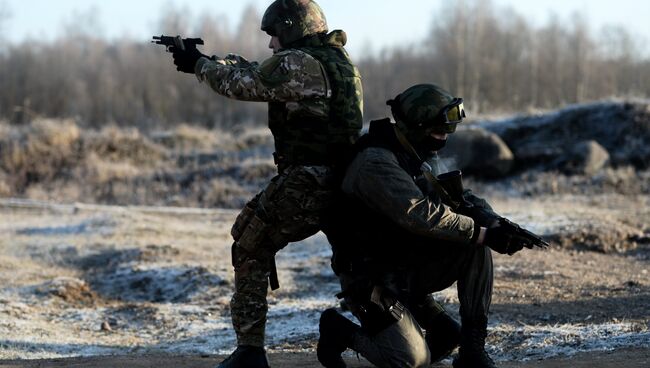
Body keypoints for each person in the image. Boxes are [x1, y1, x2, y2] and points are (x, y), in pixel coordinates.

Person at [168, 1, 363, 367]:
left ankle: (249, 352)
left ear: (292, 28)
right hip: (345, 181)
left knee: (248, 242)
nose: (272, 43)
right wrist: (208, 60)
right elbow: (258, 71)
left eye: (275, 34)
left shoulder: (298, 62)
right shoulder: (337, 61)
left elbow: (244, 84)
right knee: (356, 265)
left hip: (308, 181)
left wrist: (198, 65)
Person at [318, 84, 541, 368]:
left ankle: (472, 350)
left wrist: (495, 222)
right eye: (438, 132)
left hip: (406, 266)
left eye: (447, 132)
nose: (444, 138)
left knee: (475, 249)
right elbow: (419, 213)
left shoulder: (416, 150)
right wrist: (482, 232)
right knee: (411, 360)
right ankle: (338, 330)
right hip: (370, 278)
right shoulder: (374, 162)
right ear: (416, 125)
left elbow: (459, 196)